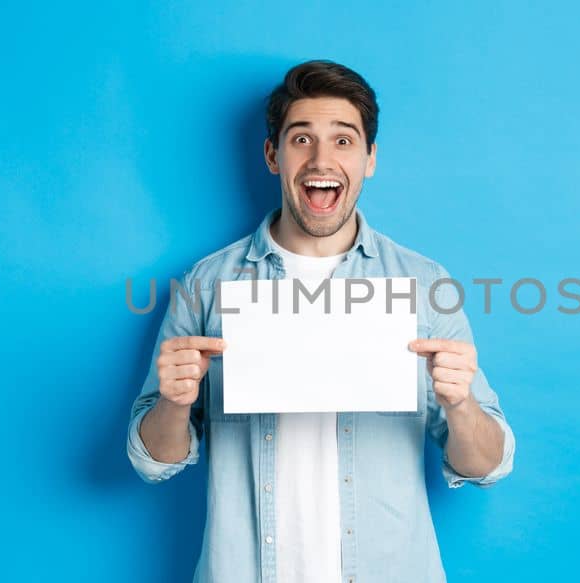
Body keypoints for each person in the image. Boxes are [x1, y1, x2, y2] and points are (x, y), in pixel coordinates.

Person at [126, 59, 515, 583]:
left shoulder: (424, 284)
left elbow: (487, 466)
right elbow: (153, 461)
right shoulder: (206, 283)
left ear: (370, 158)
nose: (321, 159)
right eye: (301, 139)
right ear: (272, 155)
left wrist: (460, 403)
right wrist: (174, 405)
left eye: (344, 140)